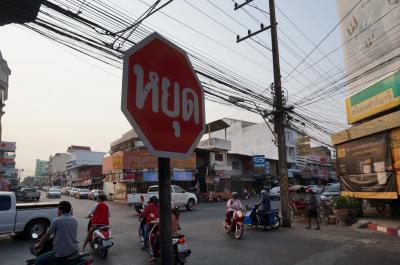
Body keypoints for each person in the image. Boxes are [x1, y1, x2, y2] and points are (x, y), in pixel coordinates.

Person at [35, 201, 79, 265]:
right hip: (74, 250)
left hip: (61, 253)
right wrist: (52, 238)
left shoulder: (57, 220)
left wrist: (39, 244)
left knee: (38, 260)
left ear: (61, 210)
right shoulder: (75, 220)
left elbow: (47, 235)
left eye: (58, 209)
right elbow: (64, 233)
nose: (57, 211)